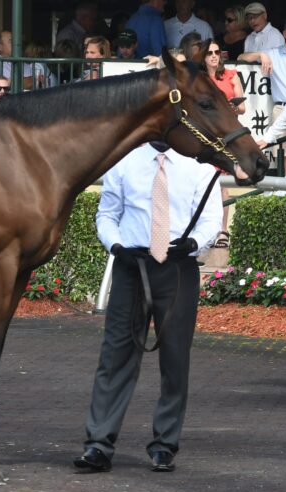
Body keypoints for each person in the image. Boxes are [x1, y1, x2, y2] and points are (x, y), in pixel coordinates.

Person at [73, 142, 222, 474]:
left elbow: (212, 218)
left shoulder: (198, 166)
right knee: (115, 356)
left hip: (178, 267)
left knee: (174, 359)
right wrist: (116, 246)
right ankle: (98, 443)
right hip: (132, 265)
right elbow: (108, 214)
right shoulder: (123, 161)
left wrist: (194, 243)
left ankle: (164, 445)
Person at [239, 17, 286, 175]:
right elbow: (241, 58)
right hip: (283, 107)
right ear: (284, 34)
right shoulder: (273, 54)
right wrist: (261, 54)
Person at [200, 39, 245, 248]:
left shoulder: (231, 75)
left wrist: (230, 107)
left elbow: (242, 107)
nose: (214, 55)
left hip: (225, 136)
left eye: (217, 52)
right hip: (203, 136)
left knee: (221, 184)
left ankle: (222, 230)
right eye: (209, 53)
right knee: (200, 185)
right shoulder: (198, 78)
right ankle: (201, 231)